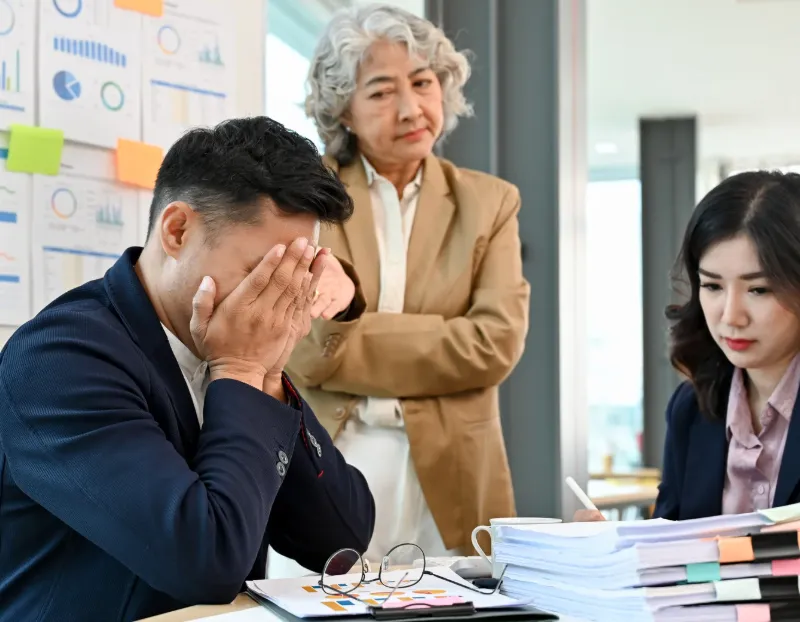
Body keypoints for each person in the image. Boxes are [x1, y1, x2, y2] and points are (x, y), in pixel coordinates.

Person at [0, 117, 375, 622]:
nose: (281, 302)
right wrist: (242, 369)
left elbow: (341, 541)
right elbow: (206, 566)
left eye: (295, 275)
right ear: (177, 231)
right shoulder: (60, 361)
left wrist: (265, 380)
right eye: (262, 273)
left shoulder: (231, 345)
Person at [276, 4, 530, 571]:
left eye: (423, 83)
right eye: (382, 91)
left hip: (453, 464)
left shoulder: (490, 203)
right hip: (328, 455)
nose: (412, 107)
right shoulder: (303, 193)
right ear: (343, 106)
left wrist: (356, 330)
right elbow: (302, 347)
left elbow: (494, 345)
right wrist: (437, 339)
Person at [575, 170, 800, 523]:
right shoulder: (691, 407)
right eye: (712, 286)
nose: (731, 316)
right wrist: (620, 551)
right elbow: (673, 546)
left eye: (759, 289)